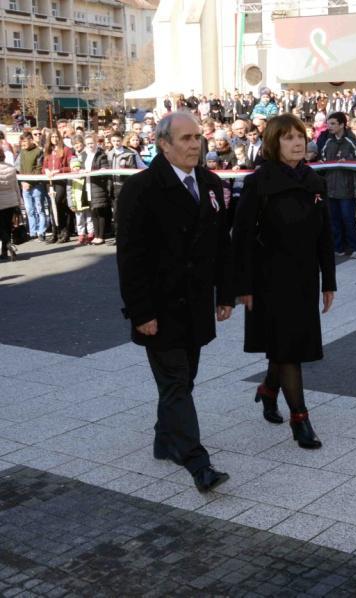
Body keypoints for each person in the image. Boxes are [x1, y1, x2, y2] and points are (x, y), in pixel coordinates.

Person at [116, 111, 234, 493]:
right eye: (185, 138)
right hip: (160, 309)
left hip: (197, 306)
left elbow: (220, 246)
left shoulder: (212, 184)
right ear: (163, 144)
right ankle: (199, 464)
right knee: (176, 384)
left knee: (185, 381)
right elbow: (129, 257)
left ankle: (164, 440)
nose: (194, 144)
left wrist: (226, 293)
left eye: (198, 137)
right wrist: (141, 312)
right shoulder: (142, 188)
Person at [233, 114, 335, 449]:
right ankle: (300, 420)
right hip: (269, 280)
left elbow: (324, 236)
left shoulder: (314, 181)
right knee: (289, 349)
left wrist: (328, 280)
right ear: (273, 143)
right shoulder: (258, 182)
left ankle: (268, 389)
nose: (297, 143)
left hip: (305, 278)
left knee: (287, 344)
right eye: (288, 137)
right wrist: (242, 286)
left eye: (300, 136)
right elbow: (243, 238)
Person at [319, 111, 356, 258]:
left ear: (342, 125)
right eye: (328, 123)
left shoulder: (351, 141)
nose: (329, 126)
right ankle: (338, 247)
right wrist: (322, 163)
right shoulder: (328, 142)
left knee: (348, 219)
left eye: (333, 124)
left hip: (348, 188)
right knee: (334, 219)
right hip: (331, 188)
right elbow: (323, 158)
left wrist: (349, 162)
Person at [42, 131, 74, 244]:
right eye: (52, 136)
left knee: (59, 205)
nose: (54, 138)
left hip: (61, 181)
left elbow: (71, 166)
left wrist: (58, 171)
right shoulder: (48, 151)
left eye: (56, 136)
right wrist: (45, 170)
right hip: (50, 182)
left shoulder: (66, 150)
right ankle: (55, 233)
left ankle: (64, 232)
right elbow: (44, 167)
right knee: (52, 207)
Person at [81, 134, 113, 245]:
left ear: (96, 143)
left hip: (98, 186)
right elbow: (81, 167)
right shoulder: (84, 155)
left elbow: (104, 169)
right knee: (93, 212)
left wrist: (92, 172)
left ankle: (101, 236)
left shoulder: (101, 155)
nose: (90, 145)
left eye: (92, 143)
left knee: (100, 212)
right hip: (88, 186)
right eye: (88, 143)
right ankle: (96, 235)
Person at [17, 132, 47, 241]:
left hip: (36, 185)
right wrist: (23, 182)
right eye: (22, 141)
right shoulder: (22, 152)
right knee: (29, 210)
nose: (23, 143)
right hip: (24, 185)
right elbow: (21, 168)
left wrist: (30, 182)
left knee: (40, 209)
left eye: (24, 141)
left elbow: (39, 168)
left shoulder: (38, 152)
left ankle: (41, 231)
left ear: (30, 140)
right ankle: (33, 232)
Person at [0, 148, 21, 261]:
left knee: (1, 229)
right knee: (7, 227)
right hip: (11, 201)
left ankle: (8, 245)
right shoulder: (11, 168)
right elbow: (16, 187)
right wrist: (18, 203)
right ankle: (4, 252)